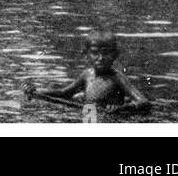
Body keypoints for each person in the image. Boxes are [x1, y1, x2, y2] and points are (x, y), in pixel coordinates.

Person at [23, 30, 151, 114]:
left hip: (110, 119)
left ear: (115, 55)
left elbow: (143, 102)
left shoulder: (117, 78)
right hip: (89, 115)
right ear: (86, 55)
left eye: (106, 53)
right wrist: (37, 91)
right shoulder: (87, 75)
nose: (100, 58)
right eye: (95, 53)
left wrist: (122, 108)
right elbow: (65, 93)